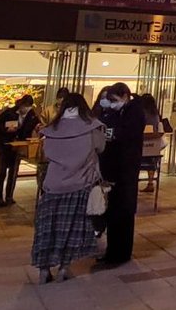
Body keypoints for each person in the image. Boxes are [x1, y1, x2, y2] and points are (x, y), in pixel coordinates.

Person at [32, 93, 106, 284]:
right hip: (80, 183)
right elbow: (100, 148)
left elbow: (47, 154)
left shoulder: (52, 129)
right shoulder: (92, 127)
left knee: (48, 227)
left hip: (54, 184)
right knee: (72, 228)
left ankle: (43, 268)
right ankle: (64, 268)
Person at [96, 82, 144, 267]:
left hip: (126, 169)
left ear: (125, 96)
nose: (111, 103)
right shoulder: (114, 112)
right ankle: (112, 250)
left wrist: (112, 134)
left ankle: (121, 252)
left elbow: (128, 134)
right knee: (112, 211)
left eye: (114, 100)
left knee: (124, 211)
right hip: (112, 168)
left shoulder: (135, 112)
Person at [0, 93, 39, 208]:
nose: (25, 109)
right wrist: (6, 129)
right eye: (24, 106)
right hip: (4, 144)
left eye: (28, 107)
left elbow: (35, 126)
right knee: (2, 171)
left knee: (13, 171)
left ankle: (9, 196)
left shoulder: (32, 116)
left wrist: (37, 128)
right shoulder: (10, 112)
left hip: (18, 146)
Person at [139, 94, 165, 193]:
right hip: (154, 144)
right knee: (152, 162)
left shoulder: (142, 113)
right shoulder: (156, 114)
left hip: (143, 142)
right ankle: (150, 182)